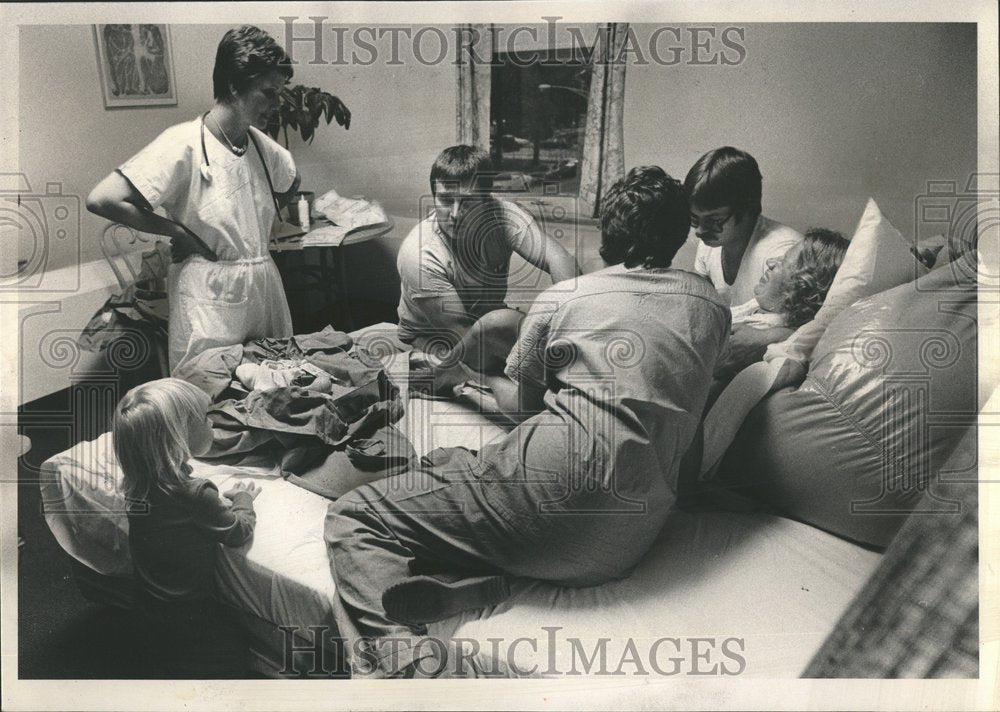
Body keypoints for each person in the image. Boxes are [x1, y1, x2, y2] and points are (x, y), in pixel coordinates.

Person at [325, 165, 730, 678]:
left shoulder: (566, 298)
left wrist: (472, 381)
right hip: (624, 541)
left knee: (356, 514)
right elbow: (685, 414)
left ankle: (403, 673)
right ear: (679, 233)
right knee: (451, 465)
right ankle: (470, 589)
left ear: (608, 231)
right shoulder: (712, 308)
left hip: (547, 504)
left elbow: (523, 407)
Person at [87, 26, 310, 372]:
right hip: (209, 290)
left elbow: (291, 181)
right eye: (268, 93)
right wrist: (178, 233)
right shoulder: (183, 143)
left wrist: (254, 223)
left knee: (276, 390)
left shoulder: (264, 148)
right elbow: (103, 198)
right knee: (210, 394)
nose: (276, 106)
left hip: (263, 285)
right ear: (235, 85)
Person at [113, 378, 261, 678]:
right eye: (205, 419)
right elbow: (238, 532)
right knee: (236, 657)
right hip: (188, 615)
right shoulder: (195, 494)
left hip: (146, 607)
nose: (212, 424)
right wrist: (244, 500)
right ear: (178, 436)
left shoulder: (137, 484)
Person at [395, 145, 581, 358]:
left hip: (485, 321)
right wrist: (541, 355)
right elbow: (462, 333)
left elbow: (559, 258)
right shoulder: (418, 254)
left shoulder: (503, 216)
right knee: (516, 375)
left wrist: (574, 327)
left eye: (468, 201)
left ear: (486, 199)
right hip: (434, 336)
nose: (455, 214)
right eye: (445, 199)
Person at [713, 227, 850, 385]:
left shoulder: (758, 331)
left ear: (804, 286)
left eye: (784, 261)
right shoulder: (761, 313)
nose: (770, 262)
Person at [685, 146, 803, 306]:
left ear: (747, 209)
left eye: (714, 220)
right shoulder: (709, 245)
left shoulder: (784, 253)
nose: (699, 231)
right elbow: (698, 306)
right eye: (694, 219)